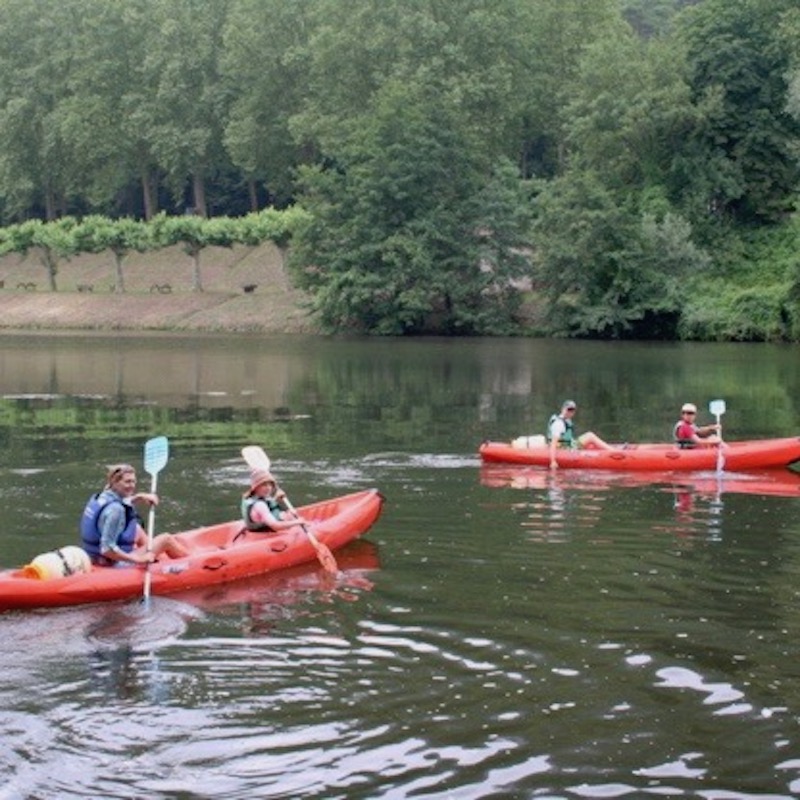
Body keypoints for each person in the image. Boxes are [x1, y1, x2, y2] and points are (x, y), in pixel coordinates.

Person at [80, 463, 189, 566]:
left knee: (136, 529)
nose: (132, 486)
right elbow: (107, 549)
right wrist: (139, 559)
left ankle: (154, 559)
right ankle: (190, 562)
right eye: (127, 482)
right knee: (166, 539)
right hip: (113, 562)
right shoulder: (116, 511)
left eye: (133, 482)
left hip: (94, 556)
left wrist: (138, 497)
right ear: (114, 482)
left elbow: (119, 502)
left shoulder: (102, 496)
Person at [547, 399, 615, 469]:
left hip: (569, 444)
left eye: (572, 410)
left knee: (590, 443)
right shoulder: (559, 424)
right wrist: (553, 461)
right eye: (569, 409)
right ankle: (614, 452)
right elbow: (554, 443)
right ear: (563, 409)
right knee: (590, 436)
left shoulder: (565, 420)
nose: (570, 412)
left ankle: (610, 449)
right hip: (563, 449)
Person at [241, 468, 308, 533]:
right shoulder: (260, 505)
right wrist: (298, 522)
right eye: (264, 485)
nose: (268, 488)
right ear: (256, 487)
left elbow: (272, 506)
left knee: (289, 514)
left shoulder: (255, 498)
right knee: (291, 516)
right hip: (264, 533)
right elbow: (275, 526)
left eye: (270, 484)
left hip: (262, 527)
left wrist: (278, 499)